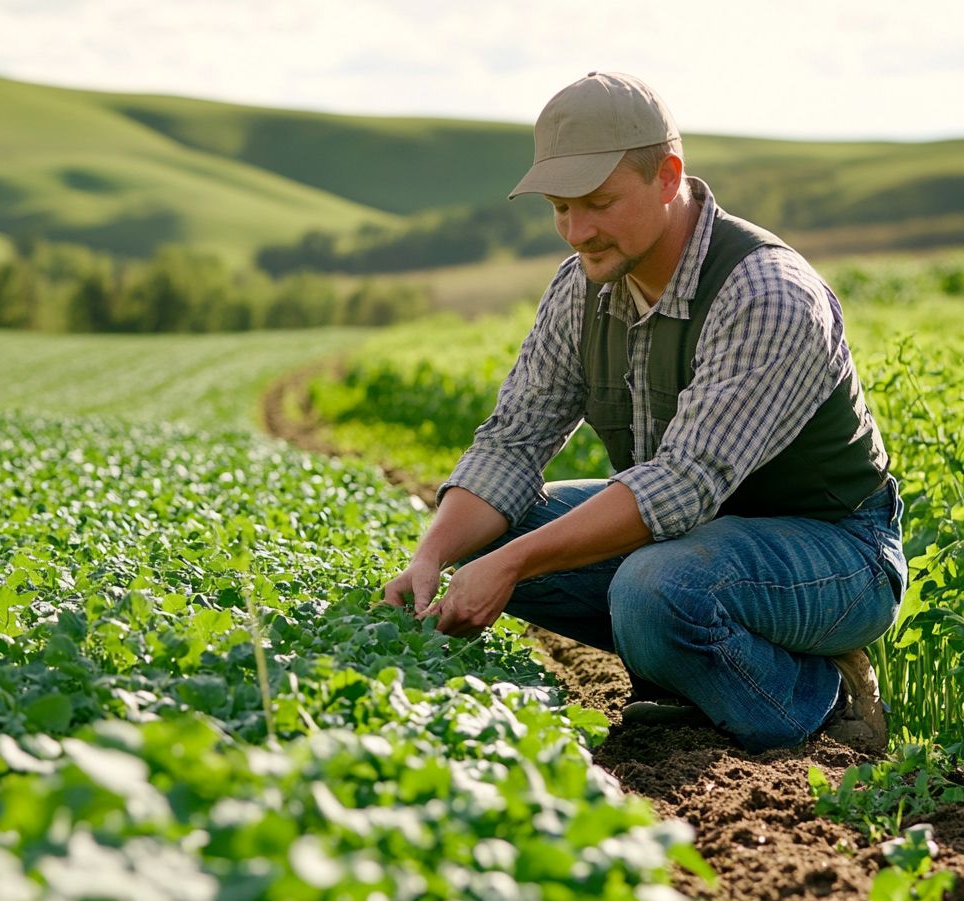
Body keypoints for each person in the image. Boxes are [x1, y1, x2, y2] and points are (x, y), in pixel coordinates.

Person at [382, 72, 907, 753]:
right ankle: (690, 669)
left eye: (598, 203)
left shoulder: (766, 293)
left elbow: (683, 483)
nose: (577, 232)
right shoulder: (584, 288)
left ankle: (823, 697)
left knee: (653, 589)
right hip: (694, 539)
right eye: (561, 208)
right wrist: (435, 556)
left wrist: (512, 567)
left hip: (832, 550)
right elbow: (513, 440)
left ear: (667, 176)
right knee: (485, 533)